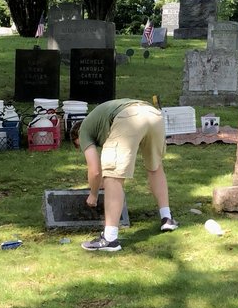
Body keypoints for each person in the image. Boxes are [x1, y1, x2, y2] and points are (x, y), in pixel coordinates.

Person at [76, 98, 179, 252]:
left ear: (76, 139)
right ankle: (167, 218)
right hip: (154, 114)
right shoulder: (100, 120)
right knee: (155, 166)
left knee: (113, 175)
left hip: (129, 117)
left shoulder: (83, 131)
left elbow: (95, 170)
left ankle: (110, 239)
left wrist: (94, 194)